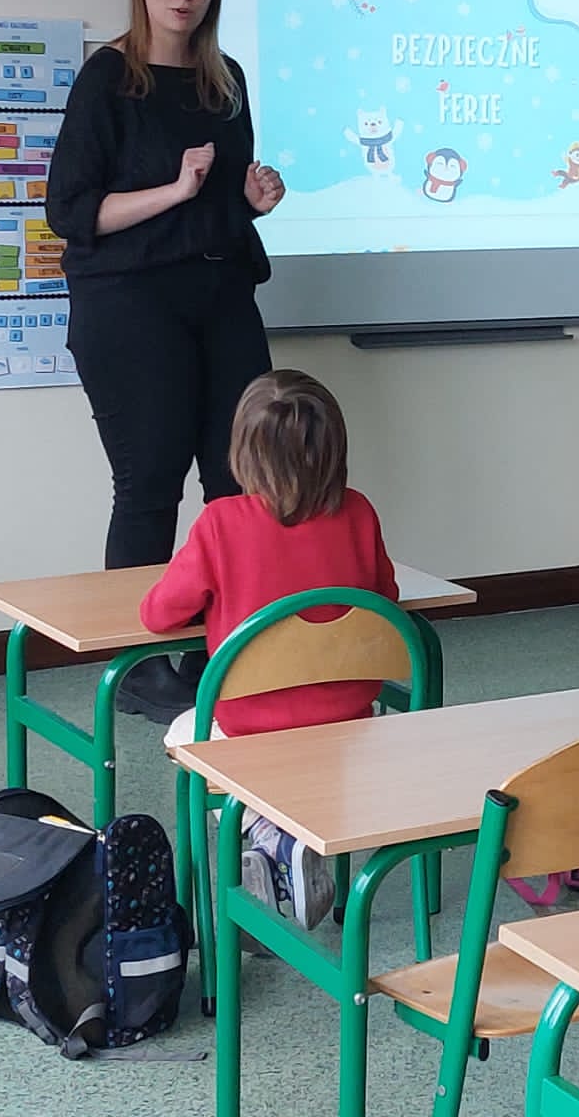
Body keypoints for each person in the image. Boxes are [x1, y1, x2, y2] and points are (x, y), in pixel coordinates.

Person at [47, 0, 286, 721]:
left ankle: (220, 650)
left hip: (220, 294)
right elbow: (71, 213)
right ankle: (138, 667)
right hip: (128, 302)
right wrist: (175, 192)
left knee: (240, 481)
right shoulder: (109, 78)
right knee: (149, 484)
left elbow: (221, 207)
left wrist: (250, 202)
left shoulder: (227, 80)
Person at [141, 370, 396, 929]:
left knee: (183, 734)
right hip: (348, 718)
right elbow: (386, 602)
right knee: (299, 738)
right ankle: (291, 832)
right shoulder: (358, 512)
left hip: (251, 726)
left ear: (242, 451)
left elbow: (159, 614)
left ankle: (269, 833)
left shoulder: (220, 523)